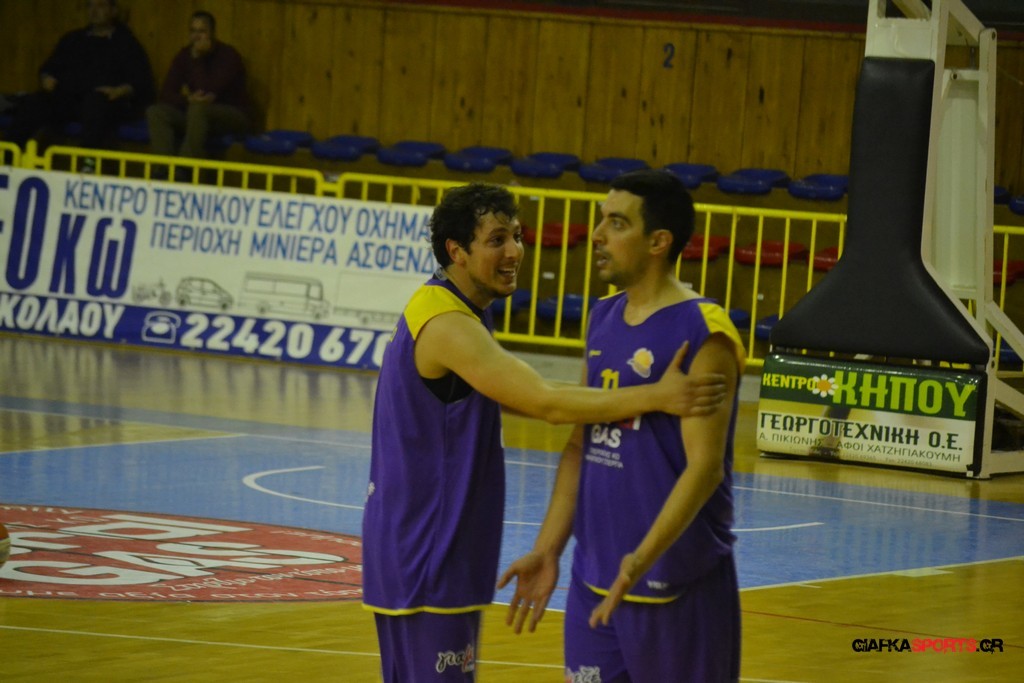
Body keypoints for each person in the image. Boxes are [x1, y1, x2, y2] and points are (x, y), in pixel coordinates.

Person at [361, 182, 728, 682]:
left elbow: (542, 413)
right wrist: (655, 396)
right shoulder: (446, 322)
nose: (514, 251)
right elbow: (545, 401)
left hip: (421, 547)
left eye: (516, 236)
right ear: (457, 252)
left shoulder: (450, 308)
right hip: (428, 551)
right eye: (496, 240)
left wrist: (550, 547)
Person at [500, 170, 745, 682]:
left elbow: (705, 469)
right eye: (601, 221)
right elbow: (579, 445)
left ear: (658, 241)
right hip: (594, 583)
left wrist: (639, 562)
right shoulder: (603, 316)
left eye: (616, 223)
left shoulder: (705, 331)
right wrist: (548, 550)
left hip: (674, 585)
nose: (597, 235)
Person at [5, 0, 154, 157]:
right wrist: (46, 77)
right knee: (35, 102)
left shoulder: (126, 43)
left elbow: (141, 80)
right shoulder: (73, 39)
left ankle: (87, 163)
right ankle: (7, 155)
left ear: (113, 11)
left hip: (105, 101)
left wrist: (120, 90)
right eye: (90, 6)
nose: (94, 11)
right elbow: (49, 67)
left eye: (101, 6)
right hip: (68, 97)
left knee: (95, 107)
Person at [146, 10, 250, 160]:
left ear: (212, 34)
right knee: (156, 112)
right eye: (193, 31)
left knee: (198, 108)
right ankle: (163, 169)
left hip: (232, 115)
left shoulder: (228, 56)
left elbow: (207, 92)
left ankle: (184, 168)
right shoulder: (184, 55)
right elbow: (166, 93)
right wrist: (187, 99)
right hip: (196, 113)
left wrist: (197, 58)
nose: (196, 36)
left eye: (202, 31)